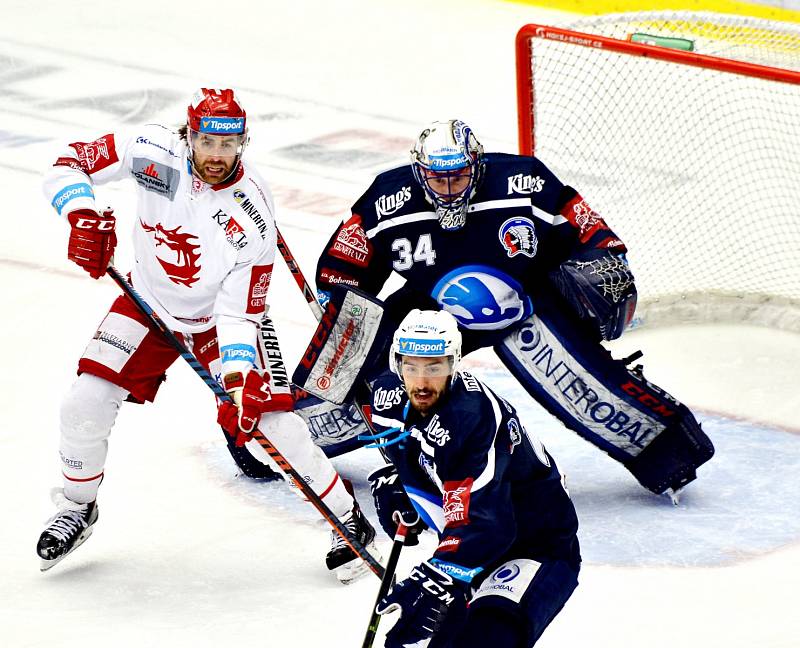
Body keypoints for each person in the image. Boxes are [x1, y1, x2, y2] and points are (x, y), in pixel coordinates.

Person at [37, 88, 377, 582]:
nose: (216, 156)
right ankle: (76, 507)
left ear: (243, 142)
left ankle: (347, 520)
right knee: (82, 403)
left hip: (223, 321)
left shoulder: (253, 212)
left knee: (271, 427)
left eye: (229, 144)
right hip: (148, 303)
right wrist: (82, 216)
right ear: (188, 136)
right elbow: (67, 166)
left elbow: (240, 311)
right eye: (206, 142)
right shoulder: (151, 151)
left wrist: (240, 376)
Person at [296, 119, 713, 496]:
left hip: (525, 300)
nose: (447, 189)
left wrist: (603, 259)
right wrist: (347, 320)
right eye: (436, 179)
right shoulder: (388, 198)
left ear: (477, 165)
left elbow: (591, 230)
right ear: (419, 171)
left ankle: (673, 455)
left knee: (585, 389)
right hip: (431, 308)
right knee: (377, 386)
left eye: (458, 177)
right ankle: (280, 442)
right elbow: (343, 268)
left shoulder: (524, 181)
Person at [366, 309, 580, 647]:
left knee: (486, 639)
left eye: (434, 367)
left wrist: (435, 577)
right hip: (470, 551)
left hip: (535, 544)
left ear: (454, 364)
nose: (421, 382)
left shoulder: (471, 416)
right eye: (411, 367)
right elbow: (413, 450)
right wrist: (402, 483)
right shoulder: (388, 395)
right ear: (397, 364)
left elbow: (489, 524)